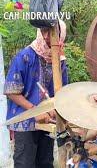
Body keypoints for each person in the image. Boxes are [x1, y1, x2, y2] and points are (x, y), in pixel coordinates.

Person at [4, 20, 68, 168]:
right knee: (25, 164)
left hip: (47, 122)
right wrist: (34, 110)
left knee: (45, 163)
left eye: (52, 33)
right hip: (25, 121)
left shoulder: (60, 60)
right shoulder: (24, 57)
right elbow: (11, 91)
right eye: (44, 31)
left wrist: (54, 106)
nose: (47, 36)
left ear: (61, 35)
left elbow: (62, 91)